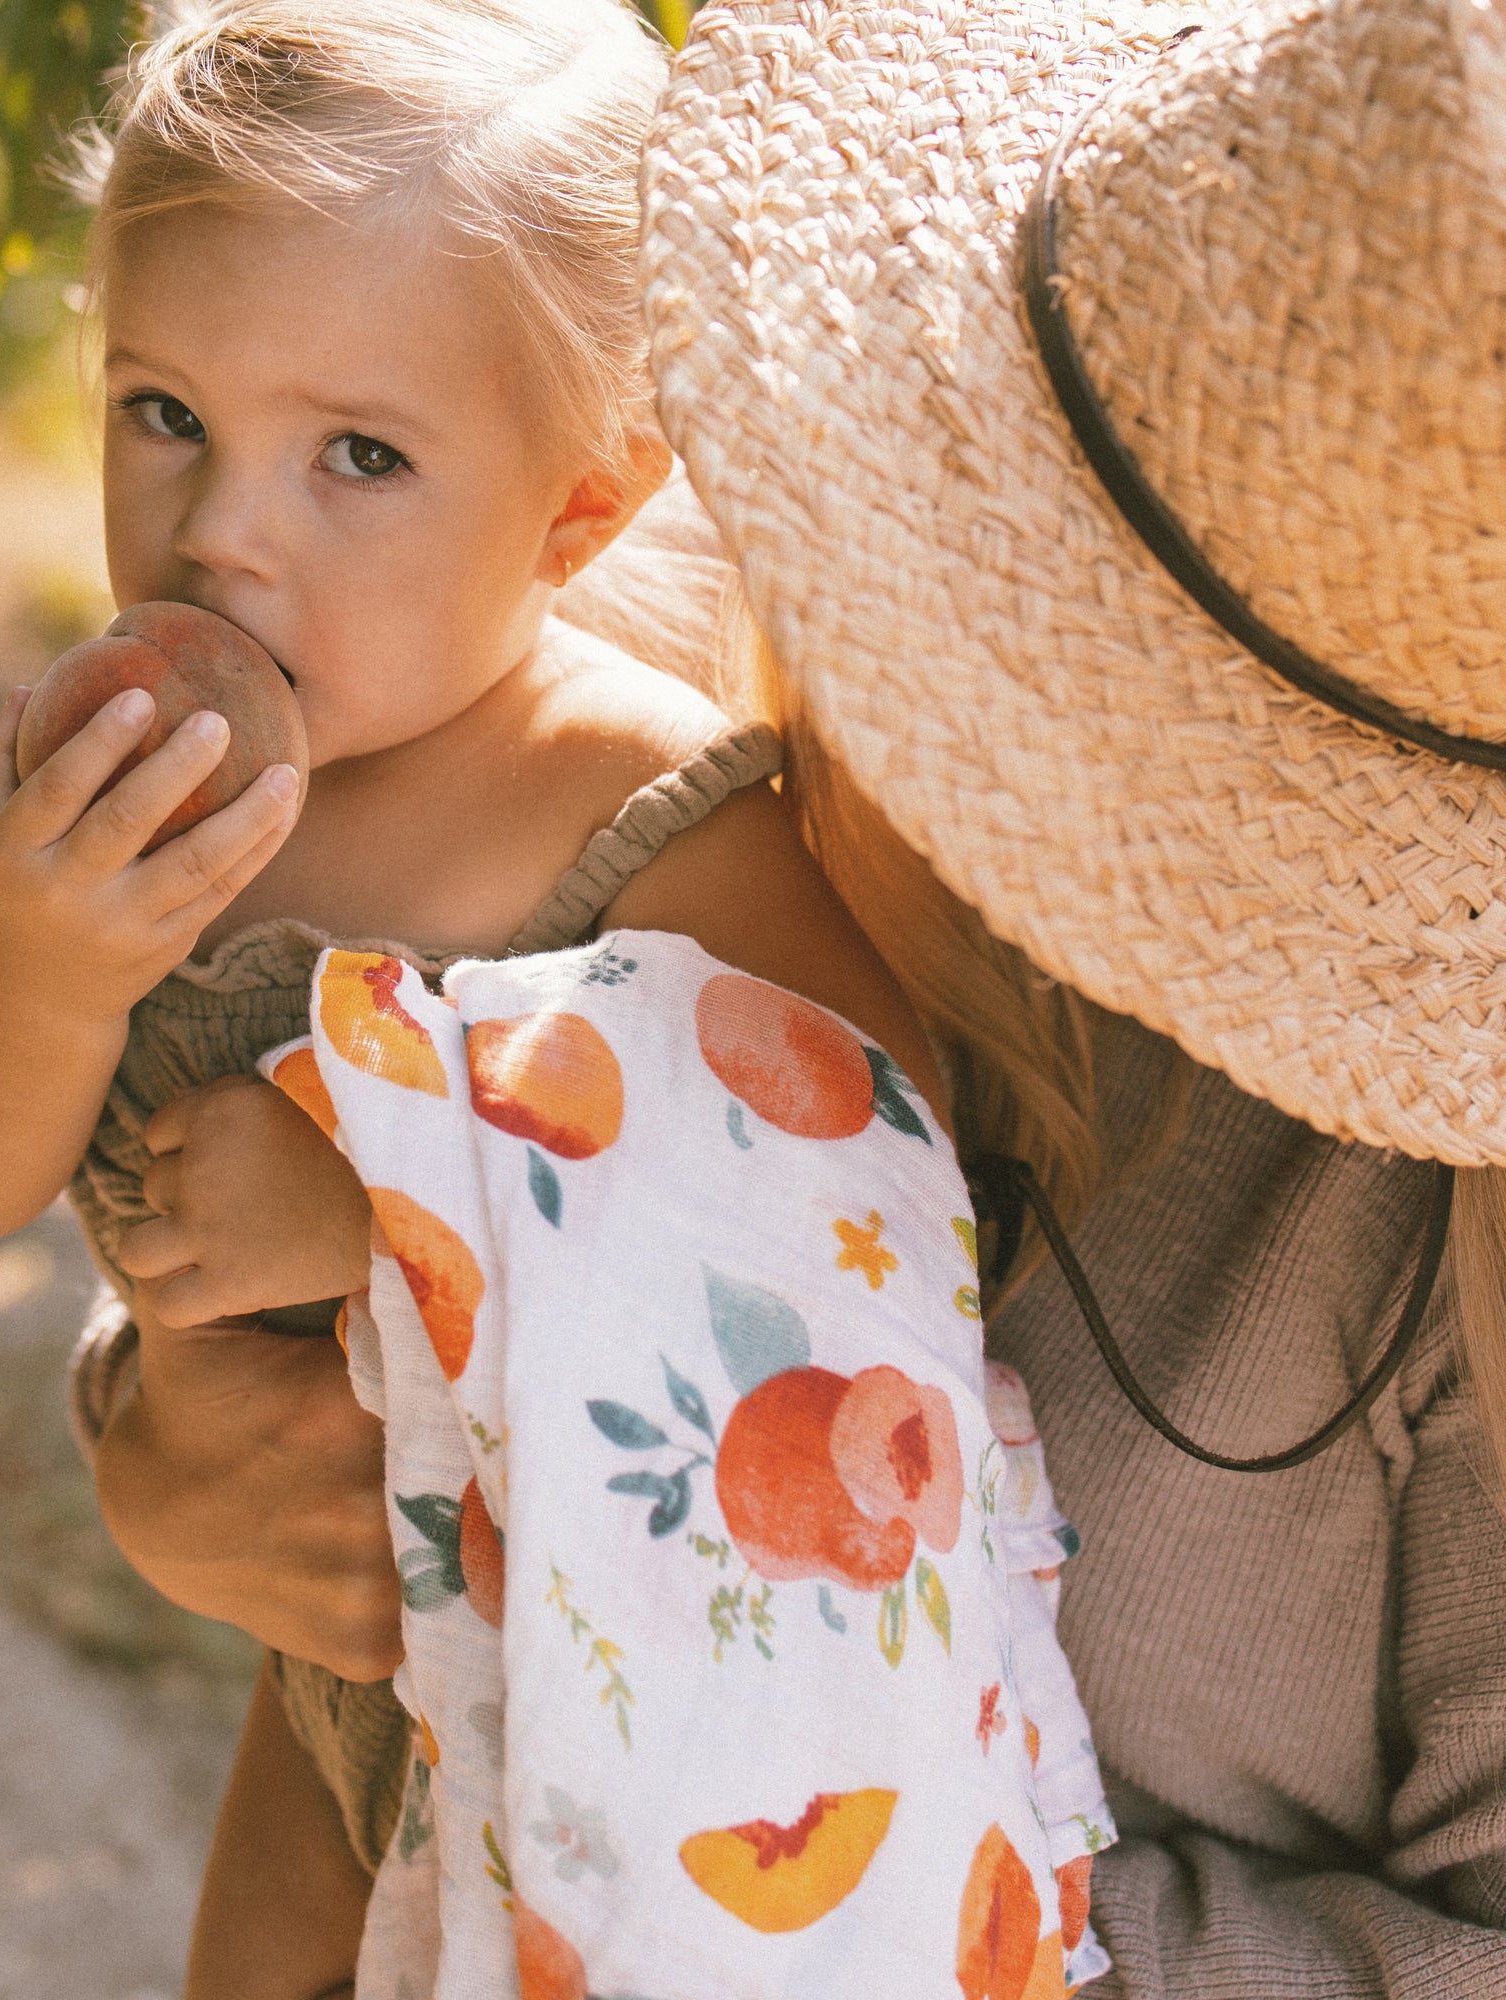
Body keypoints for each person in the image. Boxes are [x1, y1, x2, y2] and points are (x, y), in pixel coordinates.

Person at [80, 0, 1506, 1992]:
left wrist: (891, 1895)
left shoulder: (1417, 1225)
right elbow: (329, 1169)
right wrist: (174, 1415)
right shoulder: (717, 736)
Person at [0, 1, 1089, 1992]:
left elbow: (850, 1236)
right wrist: (41, 970)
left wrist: (393, 1206)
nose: (221, 531)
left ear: (581, 506)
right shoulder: (125, 783)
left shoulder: (662, 826)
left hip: (615, 1734)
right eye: (164, 410)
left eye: (358, 455)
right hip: (331, 1692)